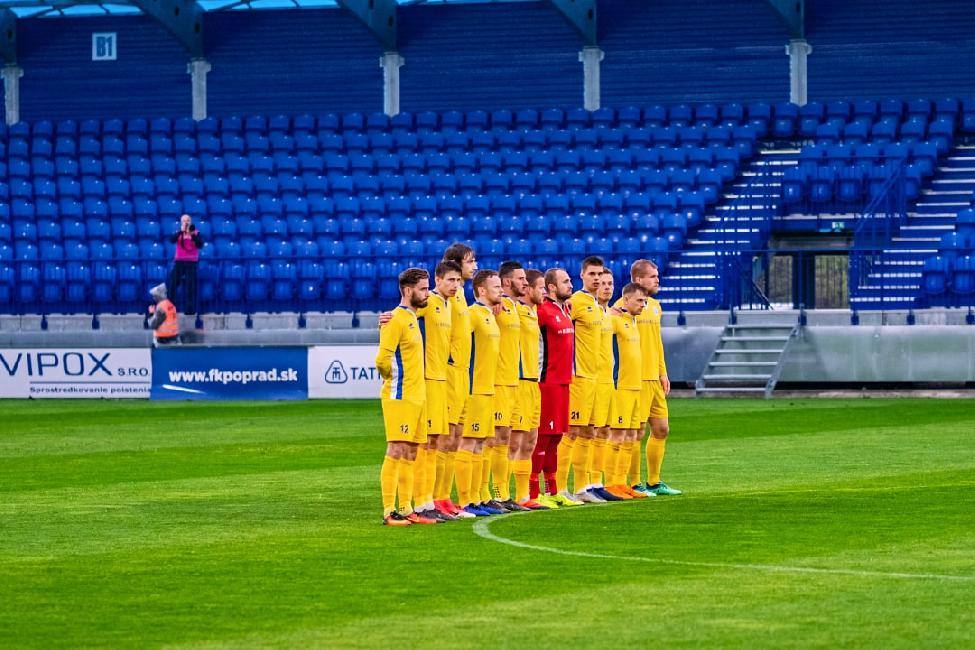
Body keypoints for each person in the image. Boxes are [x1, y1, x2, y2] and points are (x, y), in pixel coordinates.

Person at [376, 268, 440, 526]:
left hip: (417, 395)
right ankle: (388, 511)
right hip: (400, 395)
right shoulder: (395, 319)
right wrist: (392, 379)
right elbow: (382, 359)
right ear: (407, 290)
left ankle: (406, 508)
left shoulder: (413, 316)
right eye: (423, 289)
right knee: (396, 449)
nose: (427, 293)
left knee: (412, 451)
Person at [620, 259, 682, 497]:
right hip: (635, 379)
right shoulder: (622, 306)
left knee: (661, 428)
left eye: (657, 275)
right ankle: (635, 483)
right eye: (653, 276)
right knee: (636, 432)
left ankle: (654, 481)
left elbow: (656, 342)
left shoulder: (655, 306)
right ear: (638, 279)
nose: (658, 280)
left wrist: (662, 372)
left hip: (654, 379)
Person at [414, 261, 464, 522]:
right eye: (450, 280)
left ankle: (431, 500)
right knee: (426, 443)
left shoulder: (448, 305)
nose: (455, 285)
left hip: (442, 380)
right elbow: (404, 314)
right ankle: (421, 502)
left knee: (435, 442)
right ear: (438, 280)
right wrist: (385, 319)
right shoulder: (429, 301)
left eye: (458, 281)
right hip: (428, 380)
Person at [531, 268, 581, 509]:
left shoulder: (564, 310)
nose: (571, 284)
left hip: (563, 383)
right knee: (542, 438)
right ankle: (532, 492)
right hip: (547, 382)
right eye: (566, 281)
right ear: (551, 287)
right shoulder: (542, 311)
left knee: (556, 438)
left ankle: (553, 490)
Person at [456, 270, 503, 517]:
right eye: (496, 287)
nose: (501, 290)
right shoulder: (473, 314)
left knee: (482, 444)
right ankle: (466, 500)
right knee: (469, 442)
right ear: (482, 290)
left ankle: (479, 497)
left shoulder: (489, 314)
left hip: (488, 389)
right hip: (474, 389)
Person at [559, 255, 606, 504]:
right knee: (571, 431)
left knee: (589, 432)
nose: (596, 279)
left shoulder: (597, 305)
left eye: (599, 274)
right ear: (582, 276)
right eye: (592, 274)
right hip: (579, 377)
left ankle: (581, 488)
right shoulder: (575, 302)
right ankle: (559, 487)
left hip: (595, 378)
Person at [487, 261, 530, 512]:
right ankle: (494, 493)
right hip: (498, 382)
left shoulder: (515, 307)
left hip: (514, 382)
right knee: (495, 438)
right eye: (520, 278)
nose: (525, 282)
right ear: (506, 282)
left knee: (508, 440)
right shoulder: (497, 307)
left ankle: (503, 494)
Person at [604, 283, 651, 500]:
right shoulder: (614, 320)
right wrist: (608, 313)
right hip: (620, 386)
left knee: (631, 436)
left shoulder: (632, 321)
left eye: (645, 301)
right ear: (626, 300)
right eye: (639, 301)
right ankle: (610, 483)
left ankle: (622, 483)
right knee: (617, 436)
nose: (643, 305)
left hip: (635, 387)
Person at [443, 243, 478, 512]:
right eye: (470, 261)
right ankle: (434, 498)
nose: (474, 266)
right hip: (449, 374)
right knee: (443, 440)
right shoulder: (444, 297)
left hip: (462, 373)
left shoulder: (461, 295)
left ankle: (445, 498)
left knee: (454, 439)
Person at [586, 268, 624, 502]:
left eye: (610, 283)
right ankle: (585, 483)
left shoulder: (611, 314)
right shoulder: (583, 309)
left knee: (604, 431)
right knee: (588, 431)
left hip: (608, 380)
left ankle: (597, 481)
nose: (607, 287)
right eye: (602, 283)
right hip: (592, 379)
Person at [512, 268, 548, 509]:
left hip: (534, 383)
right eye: (541, 288)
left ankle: (523, 495)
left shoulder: (533, 312)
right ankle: (502, 494)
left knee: (530, 442)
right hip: (519, 382)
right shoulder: (512, 309)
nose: (544, 292)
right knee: (513, 442)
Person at [168, 213, 204, 315]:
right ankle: (170, 308)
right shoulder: (178, 233)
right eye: (184, 221)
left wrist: (192, 234)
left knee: (190, 286)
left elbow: (200, 244)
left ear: (191, 222)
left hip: (191, 262)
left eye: (188, 220)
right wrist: (181, 231)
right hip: (179, 261)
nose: (186, 222)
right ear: (181, 222)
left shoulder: (196, 232)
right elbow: (171, 240)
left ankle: (190, 310)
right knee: (172, 284)